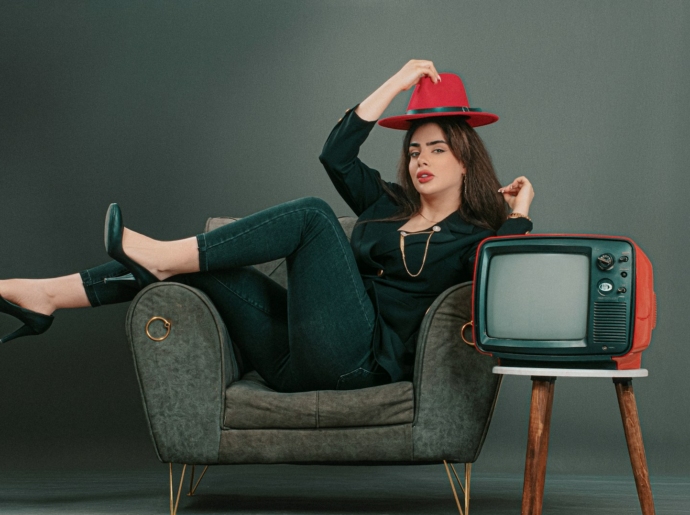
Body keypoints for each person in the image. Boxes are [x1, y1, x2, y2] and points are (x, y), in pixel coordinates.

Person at [0, 60, 534, 393]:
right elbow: (337, 154)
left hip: (358, 365)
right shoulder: (385, 205)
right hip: (290, 361)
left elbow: (502, 282)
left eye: (437, 150)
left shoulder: (476, 235)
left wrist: (519, 215)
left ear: (465, 160)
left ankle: (163, 252)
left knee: (310, 216)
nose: (422, 160)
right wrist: (397, 82)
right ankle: (46, 295)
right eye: (415, 149)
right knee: (201, 275)